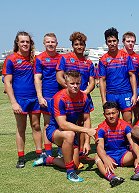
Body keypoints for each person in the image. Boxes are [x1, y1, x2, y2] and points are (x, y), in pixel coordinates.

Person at [32, 70, 96, 182]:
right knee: (69, 134)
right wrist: (86, 130)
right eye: (72, 83)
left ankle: (48, 159)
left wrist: (86, 142)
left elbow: (86, 119)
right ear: (66, 83)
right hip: (54, 130)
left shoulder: (84, 97)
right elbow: (62, 124)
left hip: (71, 131)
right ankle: (70, 173)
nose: (75, 86)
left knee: (75, 164)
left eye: (78, 83)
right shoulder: (59, 98)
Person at [3, 31, 43, 168]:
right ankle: (21, 157)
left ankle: (39, 154)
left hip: (35, 98)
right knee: (21, 128)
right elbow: (7, 82)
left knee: (36, 126)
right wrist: (13, 102)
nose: (25, 44)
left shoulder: (35, 59)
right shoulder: (11, 59)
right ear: (17, 43)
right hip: (20, 99)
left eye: (27, 41)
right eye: (22, 41)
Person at [95, 102, 139, 187]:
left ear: (118, 113)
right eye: (108, 114)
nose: (111, 116)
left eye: (113, 113)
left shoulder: (125, 125)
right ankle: (112, 178)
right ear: (104, 115)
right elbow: (100, 147)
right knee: (98, 158)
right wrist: (105, 159)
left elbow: (133, 143)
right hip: (110, 157)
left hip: (124, 156)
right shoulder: (101, 128)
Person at [98, 28, 137, 124]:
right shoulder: (103, 59)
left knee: (128, 122)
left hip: (126, 93)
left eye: (114, 41)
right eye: (109, 41)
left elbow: (132, 76)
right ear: (106, 43)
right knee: (112, 122)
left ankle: (128, 139)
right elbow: (102, 80)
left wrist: (134, 94)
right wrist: (103, 100)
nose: (112, 43)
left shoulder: (126, 56)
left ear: (118, 41)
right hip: (111, 94)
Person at [34, 33, 61, 157]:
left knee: (62, 123)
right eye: (48, 42)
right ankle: (48, 152)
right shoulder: (39, 58)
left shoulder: (62, 58)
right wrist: (40, 96)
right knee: (47, 124)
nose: (50, 44)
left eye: (53, 42)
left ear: (57, 43)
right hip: (47, 96)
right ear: (44, 43)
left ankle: (61, 149)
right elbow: (37, 78)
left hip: (60, 96)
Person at [122, 31, 139, 123]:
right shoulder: (118, 56)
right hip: (122, 91)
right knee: (125, 119)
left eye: (132, 41)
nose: (131, 43)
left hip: (136, 90)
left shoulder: (138, 58)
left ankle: (135, 136)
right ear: (123, 42)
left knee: (138, 118)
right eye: (128, 41)